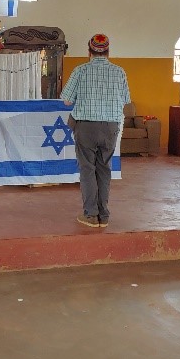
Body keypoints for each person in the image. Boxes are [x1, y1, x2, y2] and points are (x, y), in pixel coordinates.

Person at [61, 33, 131, 228]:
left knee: (87, 169)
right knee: (104, 169)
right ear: (108, 51)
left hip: (86, 127)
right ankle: (104, 214)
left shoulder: (80, 70)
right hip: (110, 127)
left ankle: (91, 214)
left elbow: (66, 100)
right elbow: (125, 100)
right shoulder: (119, 72)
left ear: (89, 51)